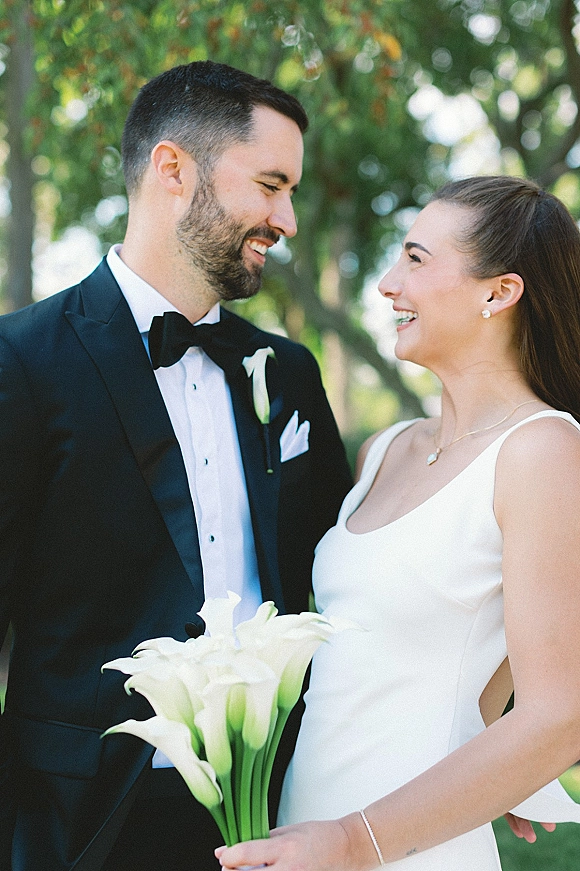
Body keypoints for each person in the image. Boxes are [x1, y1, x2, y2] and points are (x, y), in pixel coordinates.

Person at [0, 61, 353, 871]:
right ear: (173, 170)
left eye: (291, 191)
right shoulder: (22, 362)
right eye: (270, 185)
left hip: (281, 814)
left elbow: (338, 580)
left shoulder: (288, 371)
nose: (287, 218)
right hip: (83, 822)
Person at [215, 175, 580, 871]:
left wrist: (355, 841)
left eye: (416, 259)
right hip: (305, 835)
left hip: (401, 849)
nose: (387, 283)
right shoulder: (388, 448)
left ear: (497, 293)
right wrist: (483, 752)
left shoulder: (542, 451)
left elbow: (559, 715)